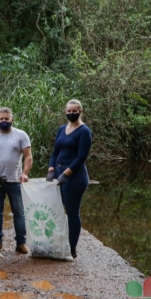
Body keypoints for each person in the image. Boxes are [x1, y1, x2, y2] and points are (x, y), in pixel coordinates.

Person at [0, 107, 32, 254]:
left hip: (15, 181)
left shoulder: (21, 135)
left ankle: (21, 242)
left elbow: (28, 156)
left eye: (7, 119)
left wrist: (25, 173)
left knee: (19, 212)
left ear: (12, 120)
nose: (4, 121)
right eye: (1, 119)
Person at [46, 99, 92, 259]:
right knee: (56, 211)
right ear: (65, 111)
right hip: (58, 173)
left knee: (72, 212)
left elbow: (81, 157)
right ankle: (57, 243)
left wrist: (66, 173)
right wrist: (51, 169)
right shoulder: (61, 129)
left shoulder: (84, 131)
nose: (71, 113)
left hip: (75, 176)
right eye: (69, 111)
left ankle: (72, 248)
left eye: (75, 111)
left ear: (81, 111)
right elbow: (55, 151)